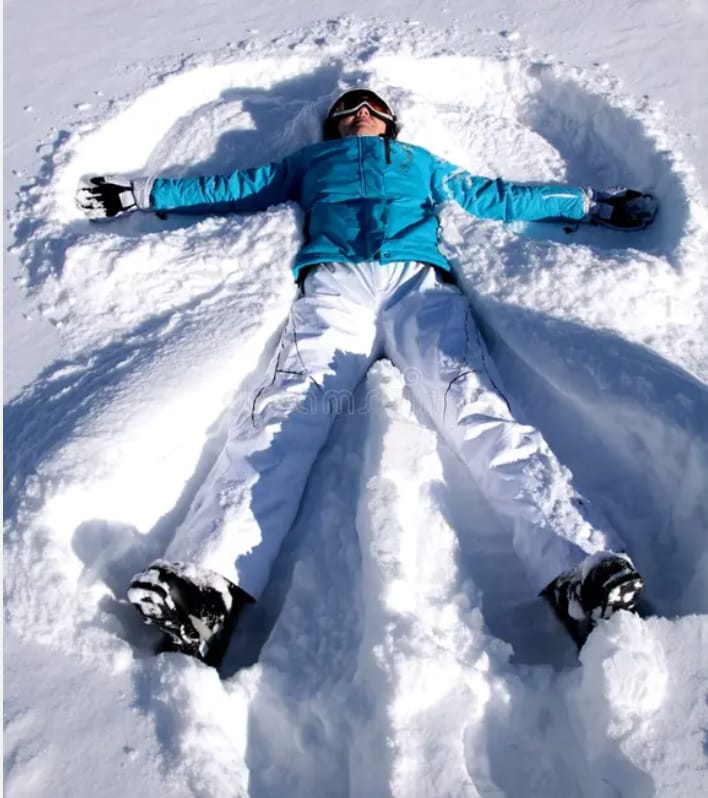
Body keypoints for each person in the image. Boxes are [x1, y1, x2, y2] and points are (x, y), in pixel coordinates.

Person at [76, 88, 650, 665]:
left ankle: (579, 571)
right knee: (284, 413)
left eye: (371, 108)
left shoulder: (421, 163)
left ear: (389, 123)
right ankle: (208, 584)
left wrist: (592, 204)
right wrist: (138, 194)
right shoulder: (309, 163)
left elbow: (497, 196)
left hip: (417, 288)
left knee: (477, 408)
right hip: (335, 289)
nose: (360, 114)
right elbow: (232, 186)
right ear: (334, 125)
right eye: (348, 110)